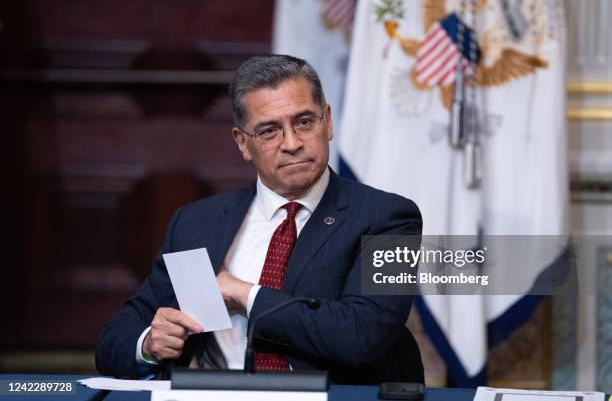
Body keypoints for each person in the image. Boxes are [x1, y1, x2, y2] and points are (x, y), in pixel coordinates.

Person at [96, 54, 424, 384]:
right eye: (269, 131)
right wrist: (149, 345)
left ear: (327, 121)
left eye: (305, 122)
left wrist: (245, 295)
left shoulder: (390, 218)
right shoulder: (196, 223)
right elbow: (115, 340)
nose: (292, 143)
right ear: (243, 143)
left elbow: (363, 337)